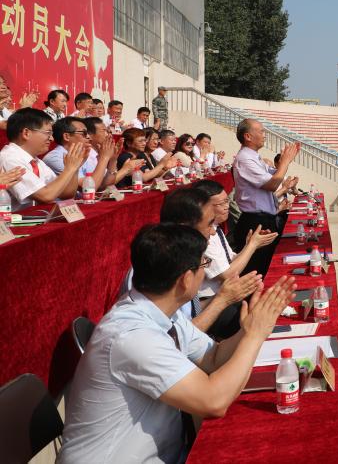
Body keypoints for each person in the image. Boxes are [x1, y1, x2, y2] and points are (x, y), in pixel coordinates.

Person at [57, 223, 295, 464]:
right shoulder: (132, 336)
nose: (205, 273)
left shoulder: (162, 312)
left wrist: (247, 330)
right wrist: (255, 336)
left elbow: (213, 358)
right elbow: (213, 401)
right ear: (186, 279)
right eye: (203, 264)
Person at [157, 187, 264, 337]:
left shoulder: (182, 254)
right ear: (185, 227)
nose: (213, 232)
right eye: (209, 224)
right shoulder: (161, 265)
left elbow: (190, 313)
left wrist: (224, 297)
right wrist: (222, 300)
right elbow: (178, 339)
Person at [192, 179, 278, 338]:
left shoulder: (215, 228)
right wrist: (252, 246)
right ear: (203, 206)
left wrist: (250, 245)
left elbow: (231, 260)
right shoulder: (202, 235)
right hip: (211, 302)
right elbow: (227, 274)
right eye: (221, 203)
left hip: (227, 293)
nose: (227, 206)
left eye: (227, 201)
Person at [231, 118, 299, 275]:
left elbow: (274, 176)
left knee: (266, 268)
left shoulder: (254, 157)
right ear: (248, 136)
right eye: (261, 131)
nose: (264, 134)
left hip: (263, 219)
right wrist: (285, 162)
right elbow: (272, 184)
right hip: (255, 222)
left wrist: (285, 162)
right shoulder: (245, 159)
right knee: (257, 271)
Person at [0, 108, 87, 210]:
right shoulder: (10, 158)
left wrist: (75, 168)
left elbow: (66, 194)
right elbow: (46, 196)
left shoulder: (36, 161)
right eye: (48, 133)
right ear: (26, 133)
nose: (51, 138)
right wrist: (69, 169)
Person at [42, 116, 115, 189]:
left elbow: (105, 182)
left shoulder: (80, 155)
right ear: (67, 136)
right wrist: (104, 158)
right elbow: (90, 187)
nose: (88, 137)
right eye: (84, 133)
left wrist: (113, 160)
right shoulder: (55, 158)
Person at [82, 116, 145, 188]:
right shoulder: (87, 155)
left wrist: (113, 159)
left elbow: (108, 182)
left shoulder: (99, 153)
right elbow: (97, 185)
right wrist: (126, 169)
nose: (108, 135)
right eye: (104, 131)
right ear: (89, 135)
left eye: (108, 131)